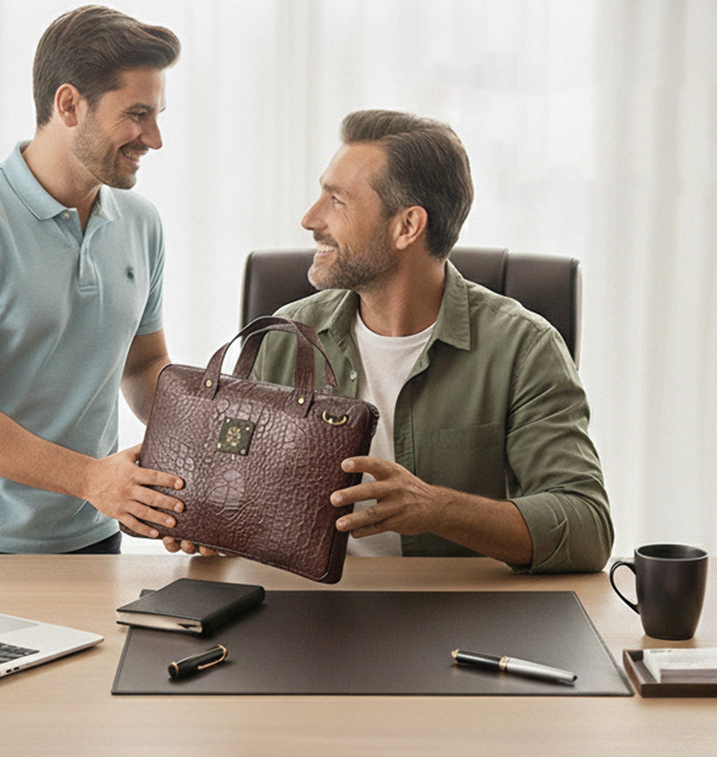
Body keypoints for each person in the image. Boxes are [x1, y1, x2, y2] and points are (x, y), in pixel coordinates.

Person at [167, 110, 613, 573]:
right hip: (305, 604)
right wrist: (206, 518)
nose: (309, 219)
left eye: (337, 201)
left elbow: (587, 528)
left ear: (407, 227)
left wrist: (434, 508)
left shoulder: (524, 348)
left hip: (456, 615)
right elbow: (238, 494)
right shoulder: (286, 335)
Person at [0, 5, 186, 554]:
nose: (153, 138)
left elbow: (144, 365)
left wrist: (206, 463)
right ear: (69, 104)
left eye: (158, 114)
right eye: (137, 114)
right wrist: (92, 479)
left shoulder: (141, 223)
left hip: (91, 534)